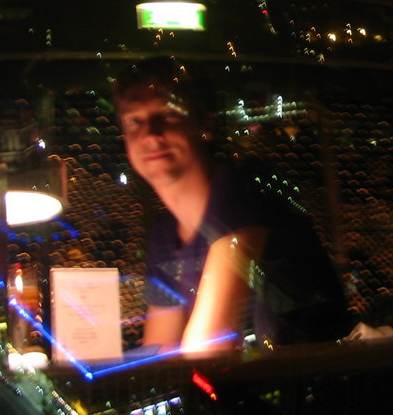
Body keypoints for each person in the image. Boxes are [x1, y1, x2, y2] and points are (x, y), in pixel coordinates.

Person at [113, 58, 352, 355]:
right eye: (135, 121)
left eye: (168, 115)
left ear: (204, 125)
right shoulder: (164, 235)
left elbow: (209, 350)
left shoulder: (241, 198)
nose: (151, 134)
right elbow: (161, 351)